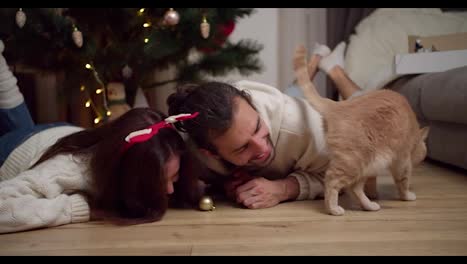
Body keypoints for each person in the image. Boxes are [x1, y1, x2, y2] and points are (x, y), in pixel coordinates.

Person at [0, 39, 200, 234]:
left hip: (57, 134)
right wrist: (81, 207)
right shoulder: (66, 172)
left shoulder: (148, 156)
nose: (170, 191)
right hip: (12, 151)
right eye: (160, 181)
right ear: (129, 174)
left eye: (173, 178)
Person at [167, 41, 367, 209]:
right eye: (243, 147)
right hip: (280, 107)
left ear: (253, 105)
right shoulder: (194, 152)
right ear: (211, 153)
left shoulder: (306, 128)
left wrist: (285, 188)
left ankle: (334, 68)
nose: (262, 148)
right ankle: (314, 61)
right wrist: (226, 182)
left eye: (257, 127)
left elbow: (350, 174)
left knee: (365, 112)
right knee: (289, 100)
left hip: (340, 120)